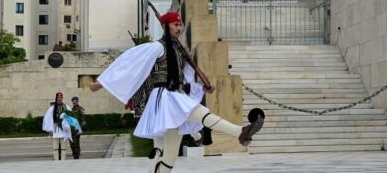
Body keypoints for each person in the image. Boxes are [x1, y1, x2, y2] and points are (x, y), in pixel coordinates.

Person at [90, 11, 264, 173]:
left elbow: (186, 77)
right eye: (175, 25)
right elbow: (129, 63)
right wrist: (101, 83)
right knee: (200, 112)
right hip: (164, 97)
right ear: (166, 26)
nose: (179, 29)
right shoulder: (157, 47)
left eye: (180, 25)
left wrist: (202, 87)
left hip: (176, 95)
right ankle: (240, 131)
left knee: (169, 160)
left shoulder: (180, 50)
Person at [42, 92, 73, 161]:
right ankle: (56, 161)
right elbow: (47, 119)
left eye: (60, 97)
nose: (59, 99)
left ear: (62, 98)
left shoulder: (66, 107)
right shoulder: (52, 109)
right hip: (55, 130)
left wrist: (69, 127)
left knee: (63, 148)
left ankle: (63, 161)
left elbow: (71, 117)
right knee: (55, 148)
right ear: (56, 98)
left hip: (64, 130)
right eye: (58, 97)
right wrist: (49, 130)